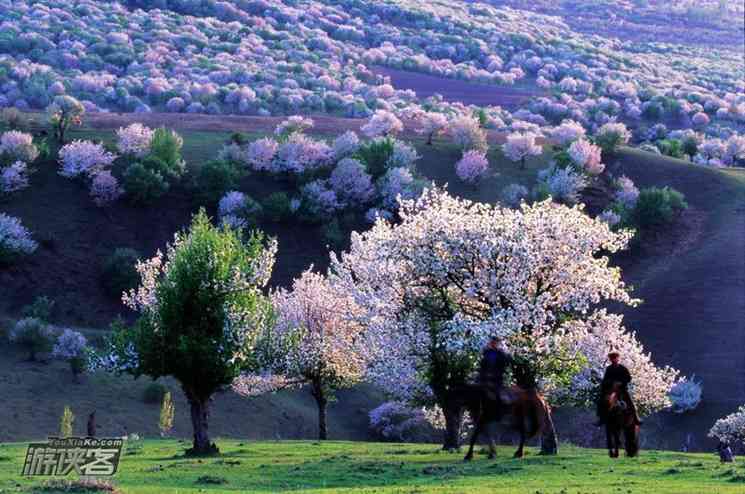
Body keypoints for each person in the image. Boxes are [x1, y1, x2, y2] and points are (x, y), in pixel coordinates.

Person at [595, 350, 642, 426]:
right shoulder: (609, 369)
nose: (613, 359)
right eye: (611, 358)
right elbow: (605, 379)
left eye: (614, 357)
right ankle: (601, 418)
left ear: (618, 358)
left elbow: (629, 378)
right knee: (601, 400)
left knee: (630, 402)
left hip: (622, 389)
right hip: (611, 389)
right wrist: (609, 383)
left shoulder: (623, 368)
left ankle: (636, 418)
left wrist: (621, 382)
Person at [478, 335, 512, 402]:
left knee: (498, 396)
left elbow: (505, 364)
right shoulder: (486, 352)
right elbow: (482, 365)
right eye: (492, 342)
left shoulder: (501, 354)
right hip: (484, 378)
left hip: (496, 379)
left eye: (495, 342)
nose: (493, 343)